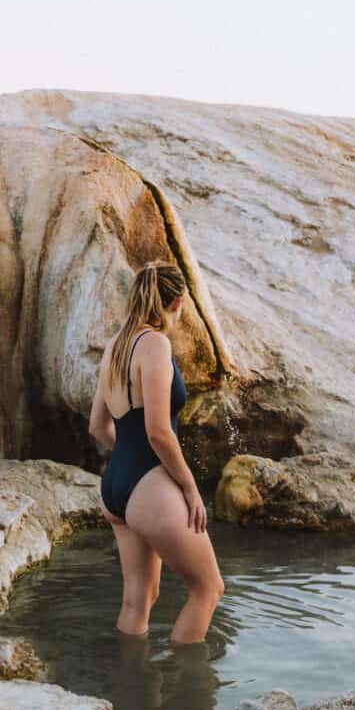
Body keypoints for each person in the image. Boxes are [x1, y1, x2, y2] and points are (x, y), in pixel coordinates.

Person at [88, 260, 224, 643]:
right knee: (208, 590)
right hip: (149, 485)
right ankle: (187, 695)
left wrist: (129, 464)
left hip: (115, 486)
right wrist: (190, 488)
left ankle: (129, 692)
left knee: (139, 600)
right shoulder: (155, 344)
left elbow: (97, 427)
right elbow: (159, 432)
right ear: (176, 303)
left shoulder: (114, 346)